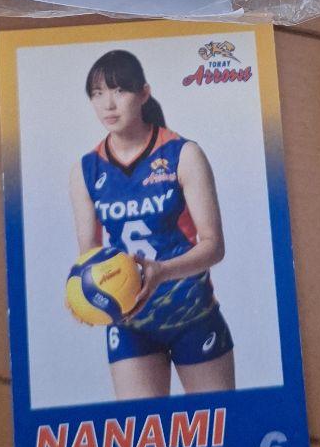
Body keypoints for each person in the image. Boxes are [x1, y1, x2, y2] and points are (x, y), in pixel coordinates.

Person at [70, 49, 235, 399]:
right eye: (97, 94)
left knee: (219, 427)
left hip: (192, 313)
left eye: (119, 91)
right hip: (131, 324)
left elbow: (214, 246)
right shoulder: (86, 170)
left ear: (144, 93)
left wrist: (162, 271)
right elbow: (89, 257)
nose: (108, 104)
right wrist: (82, 295)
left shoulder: (183, 154)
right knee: (143, 431)